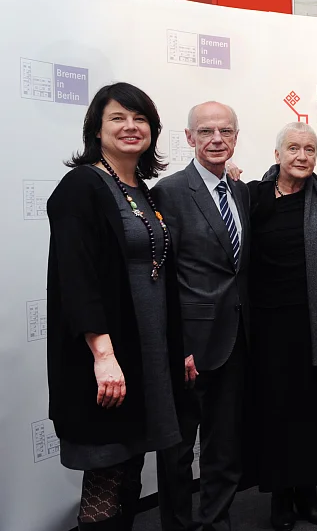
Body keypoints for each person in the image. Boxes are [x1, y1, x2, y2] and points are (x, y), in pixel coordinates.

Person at [46, 82, 183, 530]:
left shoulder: (141, 189)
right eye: (117, 118)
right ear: (96, 130)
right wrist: (103, 357)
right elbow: (76, 278)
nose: (131, 126)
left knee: (129, 474)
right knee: (105, 480)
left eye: (140, 118)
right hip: (106, 359)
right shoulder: (81, 186)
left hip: (146, 357)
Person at [245, 122, 317, 530]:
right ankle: (280, 496)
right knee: (276, 412)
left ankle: (308, 490)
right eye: (293, 148)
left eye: (310, 149)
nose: (302, 156)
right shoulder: (252, 197)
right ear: (277, 154)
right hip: (269, 327)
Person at [154, 101, 250, 531]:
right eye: (207, 132)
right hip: (190, 344)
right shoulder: (169, 192)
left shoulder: (240, 190)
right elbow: (164, 278)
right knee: (176, 447)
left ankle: (217, 521)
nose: (217, 139)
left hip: (235, 340)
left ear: (235, 137)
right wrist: (181, 346)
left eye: (225, 132)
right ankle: (175, 524)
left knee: (223, 442)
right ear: (190, 138)